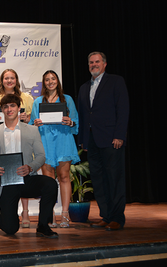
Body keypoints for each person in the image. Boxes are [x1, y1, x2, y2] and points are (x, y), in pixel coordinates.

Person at [0, 94, 58, 238]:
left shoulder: (32, 130)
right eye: (5, 107)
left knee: (50, 184)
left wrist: (30, 167)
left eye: (12, 106)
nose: (9, 109)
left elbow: (41, 156)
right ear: (2, 110)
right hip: (6, 182)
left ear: (19, 108)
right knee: (10, 229)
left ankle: (43, 226)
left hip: (27, 179)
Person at [78, 52, 129, 231]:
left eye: (97, 62)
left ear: (105, 64)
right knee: (98, 180)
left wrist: (120, 135)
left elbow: (123, 110)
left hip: (111, 139)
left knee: (114, 179)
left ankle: (117, 218)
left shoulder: (116, 81)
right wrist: (83, 140)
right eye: (91, 62)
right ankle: (106, 216)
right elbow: (84, 117)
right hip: (91, 142)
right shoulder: (84, 87)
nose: (94, 65)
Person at [29, 70, 80, 228]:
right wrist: (35, 124)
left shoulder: (68, 99)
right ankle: (49, 215)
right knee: (48, 181)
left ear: (57, 81)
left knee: (64, 177)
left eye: (53, 79)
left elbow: (76, 122)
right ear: (43, 83)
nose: (50, 82)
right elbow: (31, 124)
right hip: (45, 142)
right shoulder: (38, 101)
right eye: (47, 80)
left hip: (63, 140)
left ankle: (65, 215)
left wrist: (69, 122)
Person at [0, 69, 34, 226]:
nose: (9, 81)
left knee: (24, 178)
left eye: (12, 78)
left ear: (16, 80)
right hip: (3, 144)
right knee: (6, 181)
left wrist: (27, 119)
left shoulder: (26, 97)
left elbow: (32, 119)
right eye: (6, 78)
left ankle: (25, 213)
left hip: (21, 142)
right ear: (2, 80)